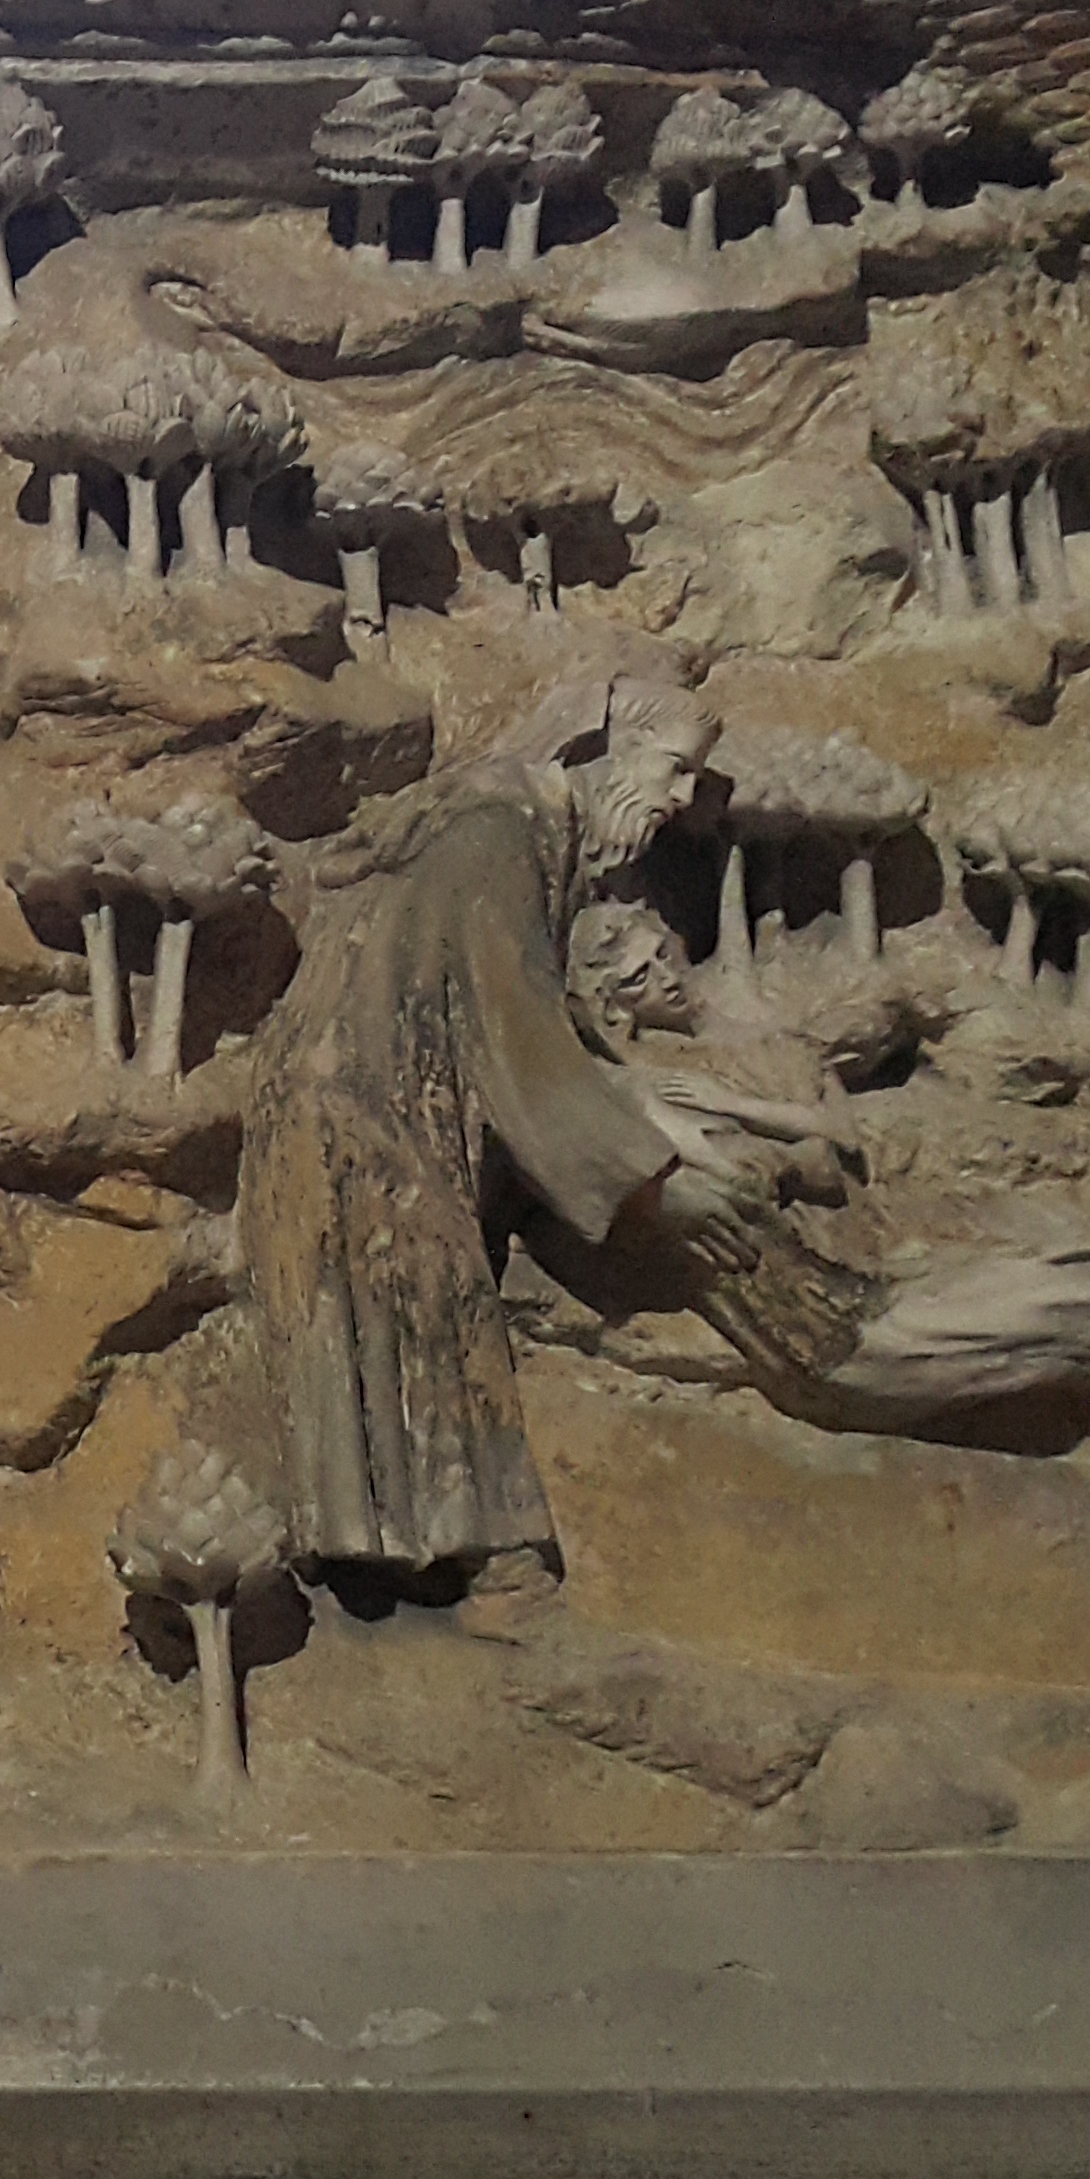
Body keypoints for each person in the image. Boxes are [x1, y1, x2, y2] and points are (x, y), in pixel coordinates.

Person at [239, 677, 720, 1591]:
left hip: (366, 1096)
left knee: (411, 1291)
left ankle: (405, 1548)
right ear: (608, 749)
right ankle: (474, 1555)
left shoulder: (522, 825)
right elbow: (517, 1021)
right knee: (430, 1288)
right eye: (675, 770)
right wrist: (645, 1160)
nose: (683, 798)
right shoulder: (501, 828)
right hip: (357, 1104)